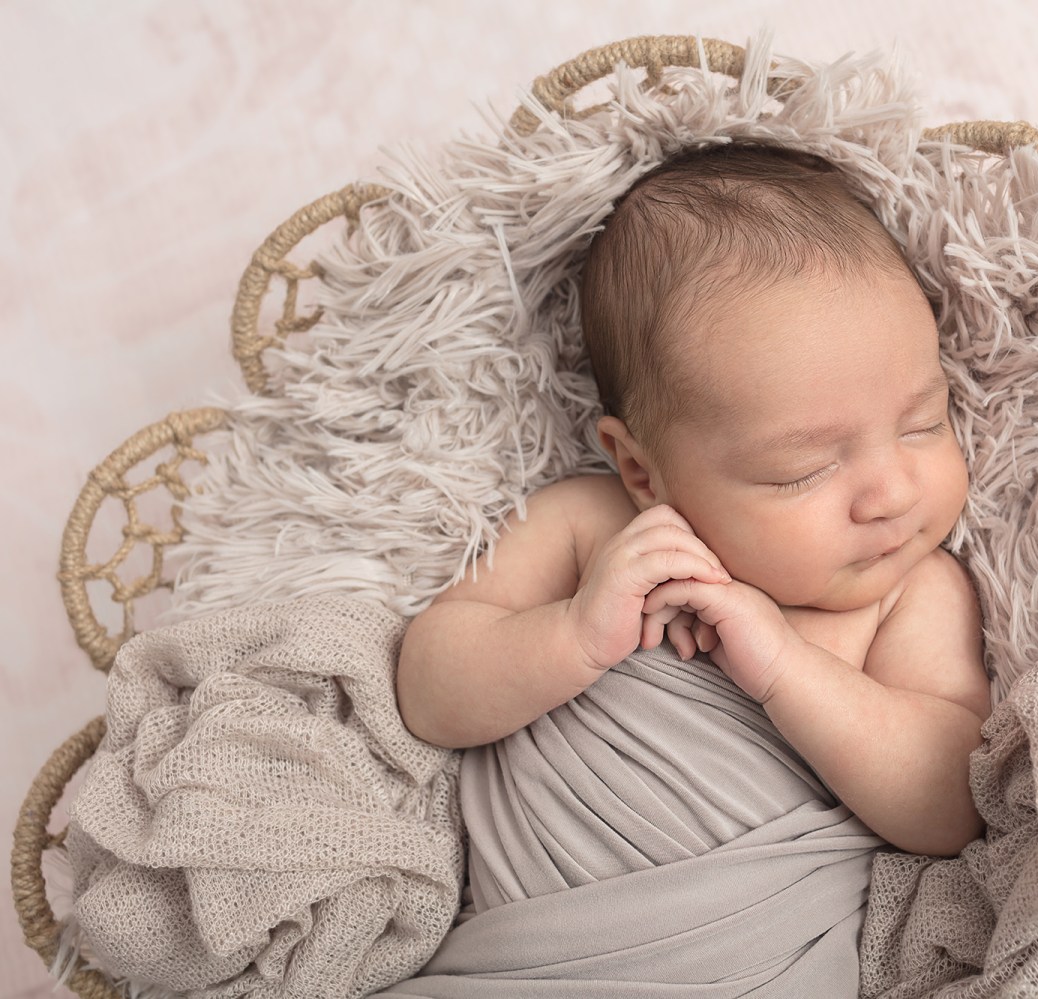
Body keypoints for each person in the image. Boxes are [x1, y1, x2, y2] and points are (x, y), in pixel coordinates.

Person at [395, 141, 989, 859]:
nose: (892, 494)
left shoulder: (911, 591)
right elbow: (425, 692)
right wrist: (575, 635)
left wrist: (785, 669)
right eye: (801, 470)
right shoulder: (595, 527)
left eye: (923, 424)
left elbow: (955, 804)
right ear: (643, 473)